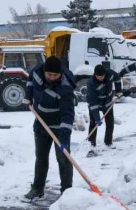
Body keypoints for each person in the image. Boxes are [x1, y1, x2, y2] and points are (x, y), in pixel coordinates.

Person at [23, 56, 76, 200]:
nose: (51, 77)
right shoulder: (36, 72)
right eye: (49, 74)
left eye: (55, 75)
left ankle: (67, 192)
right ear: (44, 71)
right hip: (41, 123)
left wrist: (64, 139)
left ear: (60, 74)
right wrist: (28, 96)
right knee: (41, 158)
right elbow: (29, 82)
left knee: (64, 159)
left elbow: (68, 115)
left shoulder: (65, 87)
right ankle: (37, 189)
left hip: (59, 125)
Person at [87, 64, 123, 149]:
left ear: (105, 74)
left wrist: (118, 91)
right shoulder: (91, 83)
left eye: (101, 76)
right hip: (95, 104)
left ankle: (108, 142)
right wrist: (97, 118)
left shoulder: (110, 73)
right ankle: (91, 143)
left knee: (110, 122)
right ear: (95, 75)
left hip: (107, 103)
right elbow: (93, 102)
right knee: (93, 123)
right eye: (98, 76)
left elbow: (117, 78)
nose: (100, 78)